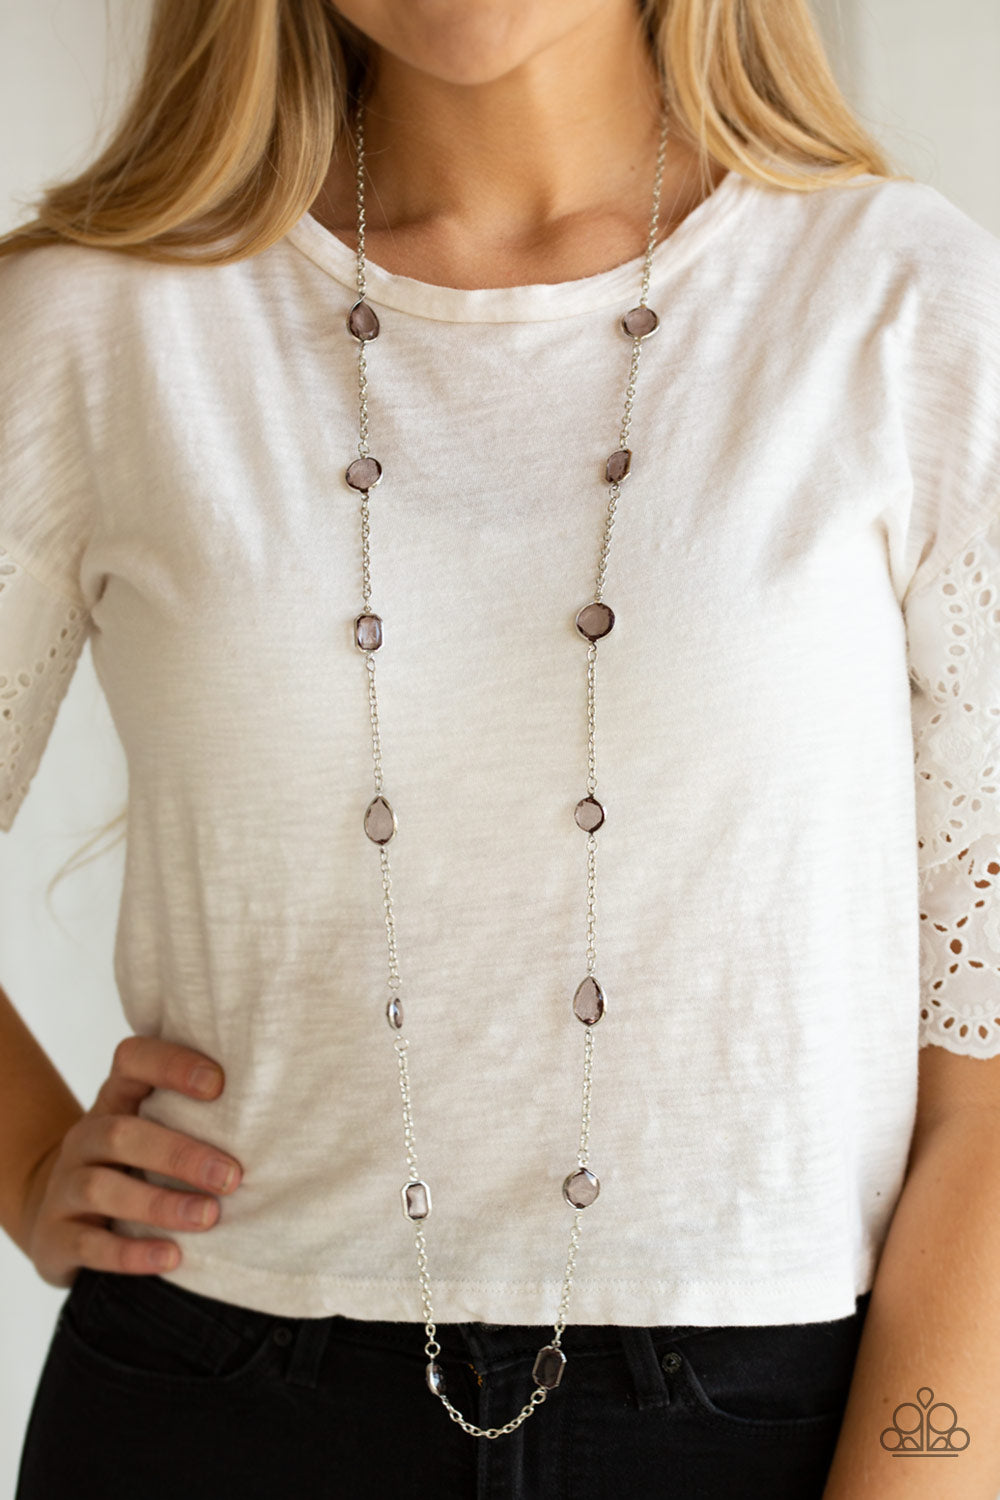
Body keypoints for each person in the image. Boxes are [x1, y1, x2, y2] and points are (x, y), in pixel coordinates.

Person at [2, 0, 1000, 1495]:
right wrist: (27, 1157)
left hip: (779, 1416)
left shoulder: (908, 309)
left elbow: (987, 1089)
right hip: (213, 1395)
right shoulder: (99, 322)